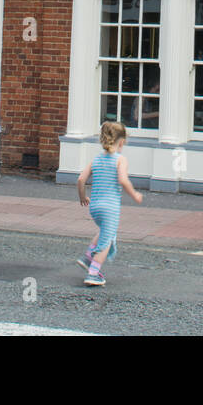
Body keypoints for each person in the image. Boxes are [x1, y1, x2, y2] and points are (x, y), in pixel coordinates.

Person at [76, 120, 144, 287]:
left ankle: (87, 257)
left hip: (95, 207)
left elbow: (81, 179)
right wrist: (134, 194)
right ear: (122, 142)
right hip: (110, 208)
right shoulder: (120, 160)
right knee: (106, 240)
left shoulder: (96, 160)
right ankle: (93, 273)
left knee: (106, 232)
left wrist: (82, 198)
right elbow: (123, 179)